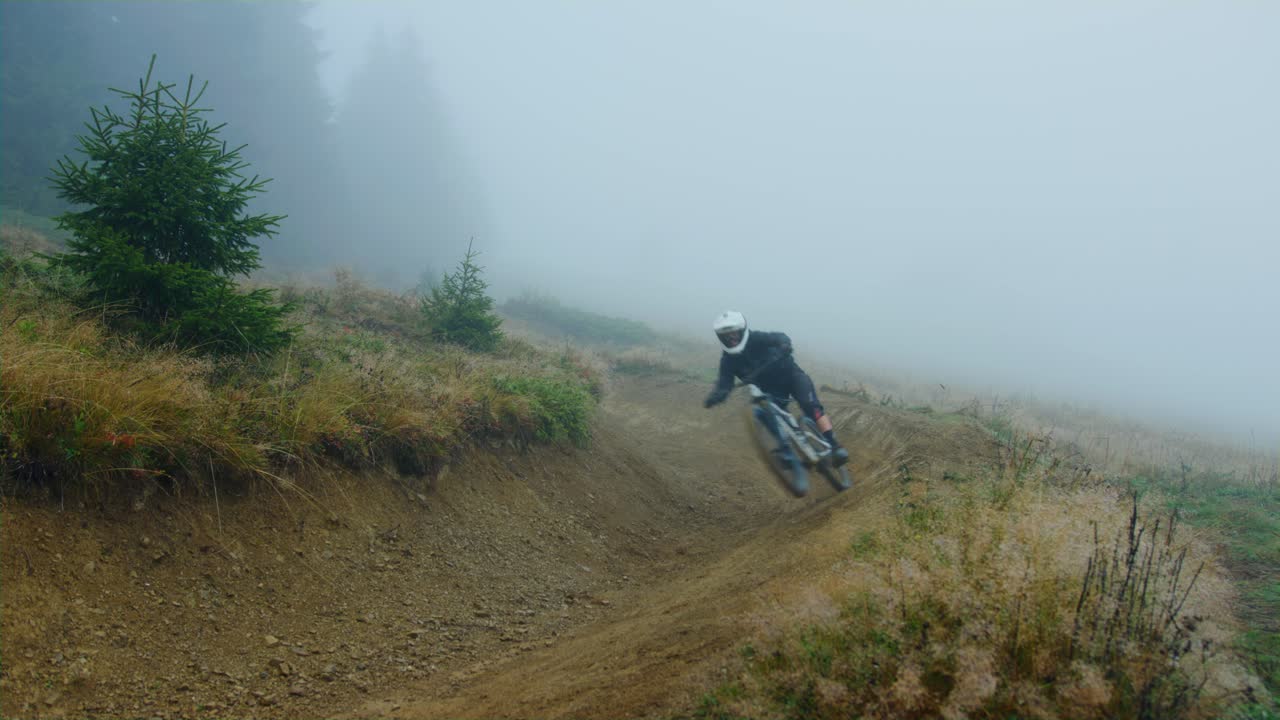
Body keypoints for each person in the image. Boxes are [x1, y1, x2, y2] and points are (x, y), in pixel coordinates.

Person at [702, 310, 849, 467]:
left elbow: (780, 337)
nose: (731, 338)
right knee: (766, 414)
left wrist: (784, 345)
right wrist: (717, 395)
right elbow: (724, 383)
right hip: (771, 392)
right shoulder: (727, 361)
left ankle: (835, 445)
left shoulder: (757, 338)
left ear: (742, 330)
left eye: (734, 333)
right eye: (725, 336)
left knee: (809, 405)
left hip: (792, 377)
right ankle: (787, 451)